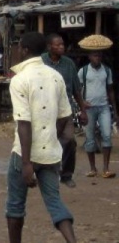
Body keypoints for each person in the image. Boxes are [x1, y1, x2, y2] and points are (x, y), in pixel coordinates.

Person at [5, 32, 76, 243]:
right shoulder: (56, 76)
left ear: (24, 50)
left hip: (24, 153)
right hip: (52, 153)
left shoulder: (19, 79)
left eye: (19, 47)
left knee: (15, 207)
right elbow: (65, 116)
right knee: (55, 203)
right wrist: (49, 135)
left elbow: (23, 124)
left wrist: (27, 163)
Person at [41, 33, 87, 189]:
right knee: (45, 142)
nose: (62, 47)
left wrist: (83, 110)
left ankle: (66, 175)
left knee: (69, 140)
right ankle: (45, 175)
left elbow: (76, 90)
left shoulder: (69, 64)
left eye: (62, 44)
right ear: (49, 47)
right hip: (44, 109)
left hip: (64, 109)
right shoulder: (41, 62)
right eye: (58, 44)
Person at [78, 51, 117, 179]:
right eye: (95, 56)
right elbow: (77, 90)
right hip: (89, 108)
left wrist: (115, 111)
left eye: (99, 56)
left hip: (104, 107)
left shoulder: (106, 70)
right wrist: (82, 104)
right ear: (89, 57)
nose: (97, 58)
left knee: (106, 135)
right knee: (89, 138)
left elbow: (110, 90)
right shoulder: (83, 71)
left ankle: (105, 169)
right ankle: (92, 168)